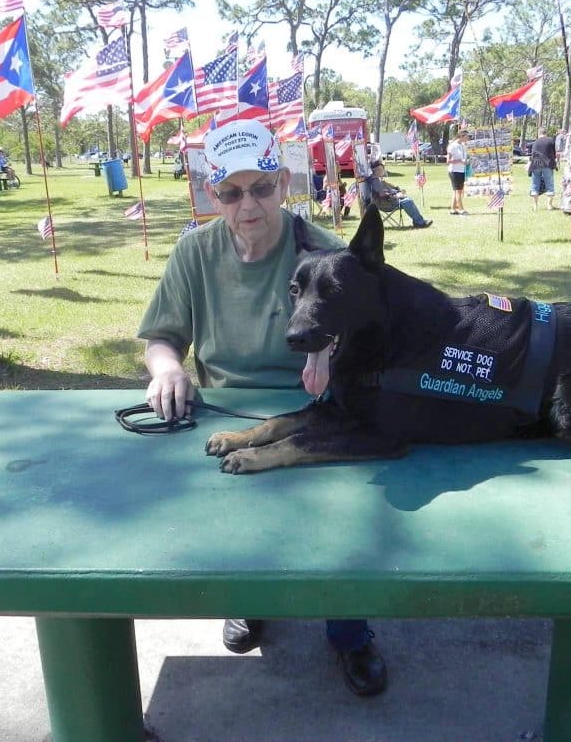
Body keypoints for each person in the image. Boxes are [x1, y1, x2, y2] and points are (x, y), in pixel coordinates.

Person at [137, 119, 388, 697]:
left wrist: (332, 358)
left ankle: (349, 631)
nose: (247, 205)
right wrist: (168, 369)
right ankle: (249, 598)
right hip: (224, 412)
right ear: (213, 194)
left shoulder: (323, 251)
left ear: (283, 184)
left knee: (336, 515)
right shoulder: (194, 251)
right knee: (234, 507)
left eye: (261, 188)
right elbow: (161, 338)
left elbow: (366, 338)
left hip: (314, 404)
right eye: (231, 192)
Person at [366, 160, 433, 228]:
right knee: (408, 201)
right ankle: (419, 222)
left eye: (382, 168)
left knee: (408, 199)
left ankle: (418, 221)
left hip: (388, 201)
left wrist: (398, 190)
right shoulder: (375, 181)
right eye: (379, 169)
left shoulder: (378, 179)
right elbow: (382, 194)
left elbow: (388, 186)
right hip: (385, 204)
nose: (381, 170)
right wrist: (396, 196)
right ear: (374, 170)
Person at [527, 127, 558, 210]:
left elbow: (533, 155)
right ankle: (549, 205)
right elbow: (554, 154)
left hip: (535, 164)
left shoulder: (535, 142)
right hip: (547, 164)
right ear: (546, 133)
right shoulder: (550, 141)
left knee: (535, 185)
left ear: (538, 133)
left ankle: (535, 206)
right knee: (549, 185)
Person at [446, 128, 470, 215]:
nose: (468, 138)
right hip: (454, 171)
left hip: (461, 170)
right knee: (458, 191)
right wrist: (460, 161)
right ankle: (461, 209)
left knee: (457, 190)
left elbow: (464, 157)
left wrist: (466, 161)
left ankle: (453, 209)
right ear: (461, 136)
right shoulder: (453, 146)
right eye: (466, 136)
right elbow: (448, 161)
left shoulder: (462, 145)